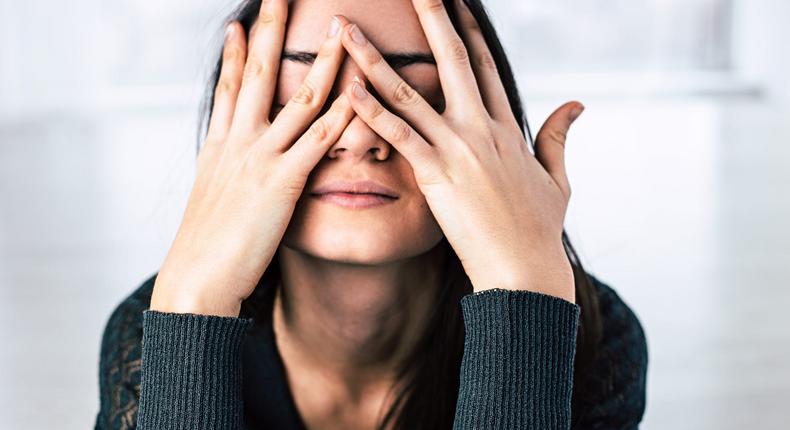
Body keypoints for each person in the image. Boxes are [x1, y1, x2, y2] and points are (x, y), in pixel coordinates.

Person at [95, 0, 648, 428]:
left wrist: (525, 290)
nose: (358, 137)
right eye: (308, 89)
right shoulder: (147, 336)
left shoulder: (590, 337)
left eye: (405, 86)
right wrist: (193, 307)